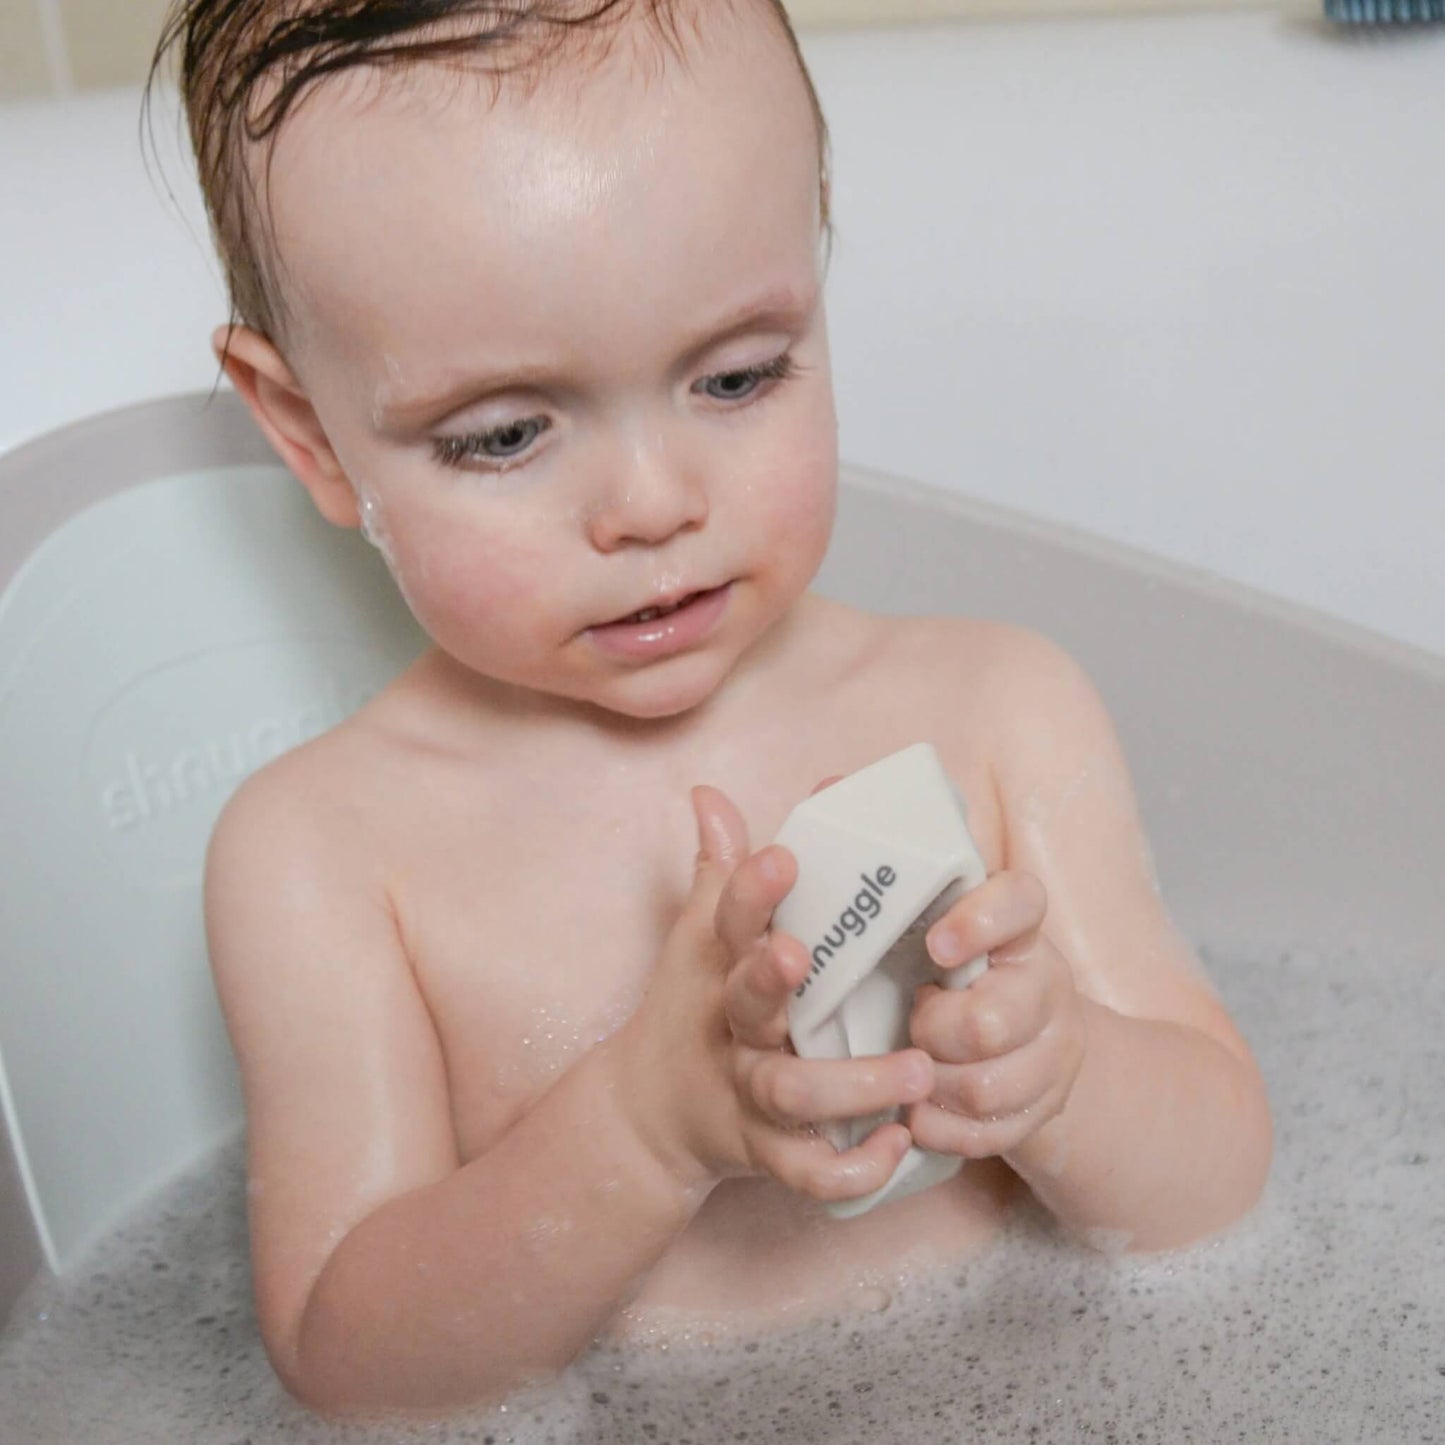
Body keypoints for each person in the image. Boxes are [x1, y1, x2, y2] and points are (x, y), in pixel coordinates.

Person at [153, 0, 1272, 1418]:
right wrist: (640, 1126)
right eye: (505, 433)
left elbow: (1217, 1179)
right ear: (309, 433)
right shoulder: (324, 854)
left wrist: (1067, 1077)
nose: (651, 505)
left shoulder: (995, 709)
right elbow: (351, 1363)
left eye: (736, 376)